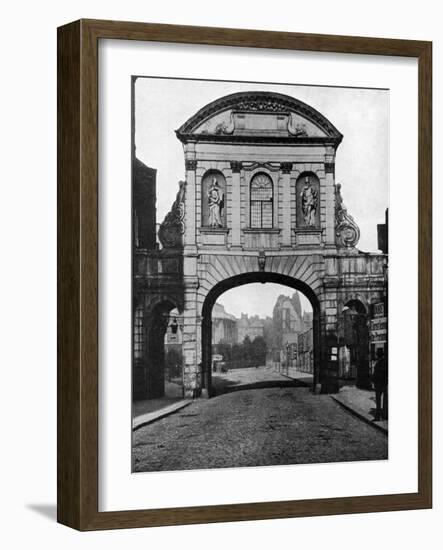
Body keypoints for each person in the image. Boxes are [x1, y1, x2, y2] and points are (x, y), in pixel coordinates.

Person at [372, 348, 388, 421]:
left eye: (377, 354)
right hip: (380, 383)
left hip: (380, 383)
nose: (377, 355)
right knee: (378, 400)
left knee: (378, 400)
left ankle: (378, 416)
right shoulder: (381, 361)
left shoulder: (382, 362)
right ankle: (380, 415)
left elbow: (381, 373)